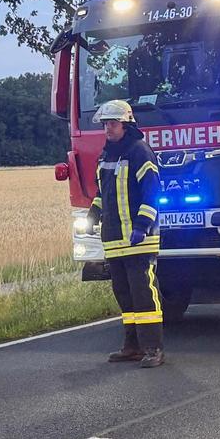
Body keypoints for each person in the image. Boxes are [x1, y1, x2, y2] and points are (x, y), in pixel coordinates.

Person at [91, 99, 166, 366]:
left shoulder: (139, 151)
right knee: (124, 293)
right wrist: (93, 212)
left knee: (143, 292)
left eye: (112, 124)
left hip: (138, 238)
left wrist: (143, 226)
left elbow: (152, 191)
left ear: (126, 125)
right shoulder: (106, 155)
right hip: (114, 239)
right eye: (105, 125)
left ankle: (153, 348)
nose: (108, 129)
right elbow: (103, 192)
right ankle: (131, 346)